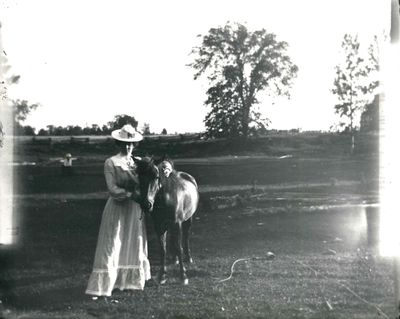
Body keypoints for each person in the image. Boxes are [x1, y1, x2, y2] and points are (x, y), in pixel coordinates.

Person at [85, 124, 151, 299]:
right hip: (118, 206)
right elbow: (112, 189)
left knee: (134, 241)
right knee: (113, 241)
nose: (128, 147)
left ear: (134, 145)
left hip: (134, 209)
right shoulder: (111, 162)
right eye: (124, 144)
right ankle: (107, 283)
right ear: (118, 144)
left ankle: (129, 281)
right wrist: (130, 194)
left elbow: (150, 177)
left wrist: (165, 168)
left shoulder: (138, 162)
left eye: (130, 144)